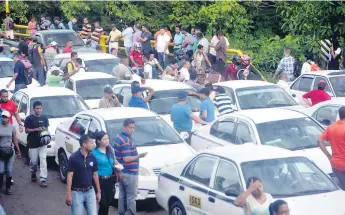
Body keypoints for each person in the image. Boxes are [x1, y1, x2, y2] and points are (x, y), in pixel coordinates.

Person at [114, 119, 148, 215]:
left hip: (122, 171)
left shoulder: (119, 138)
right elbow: (127, 158)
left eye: (133, 128)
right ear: (124, 127)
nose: (132, 130)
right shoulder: (125, 140)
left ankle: (121, 213)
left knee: (122, 195)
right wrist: (139, 156)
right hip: (129, 172)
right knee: (131, 197)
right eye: (130, 127)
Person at [65, 134, 101, 215]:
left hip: (90, 191)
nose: (93, 145)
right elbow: (69, 176)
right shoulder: (73, 158)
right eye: (91, 143)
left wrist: (98, 192)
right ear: (84, 144)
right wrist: (68, 194)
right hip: (76, 193)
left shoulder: (92, 157)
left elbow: (95, 175)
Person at [92, 131, 121, 215]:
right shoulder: (94, 153)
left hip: (110, 180)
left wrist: (118, 165)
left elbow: (113, 161)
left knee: (108, 202)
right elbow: (93, 170)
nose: (107, 140)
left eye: (107, 138)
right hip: (100, 181)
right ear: (98, 141)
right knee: (103, 203)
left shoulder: (110, 149)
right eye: (104, 139)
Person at [319, 106, 345, 189]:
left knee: (341, 189)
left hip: (336, 163)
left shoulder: (331, 127)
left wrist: (329, 156)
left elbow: (320, 141)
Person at [24, 101, 49, 187]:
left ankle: (43, 179)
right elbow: (26, 130)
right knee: (34, 161)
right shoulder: (29, 118)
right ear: (33, 109)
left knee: (43, 160)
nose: (39, 110)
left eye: (40, 108)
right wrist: (36, 129)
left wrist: (44, 129)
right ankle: (33, 172)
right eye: (37, 108)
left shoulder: (44, 117)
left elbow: (47, 128)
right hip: (32, 143)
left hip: (43, 143)